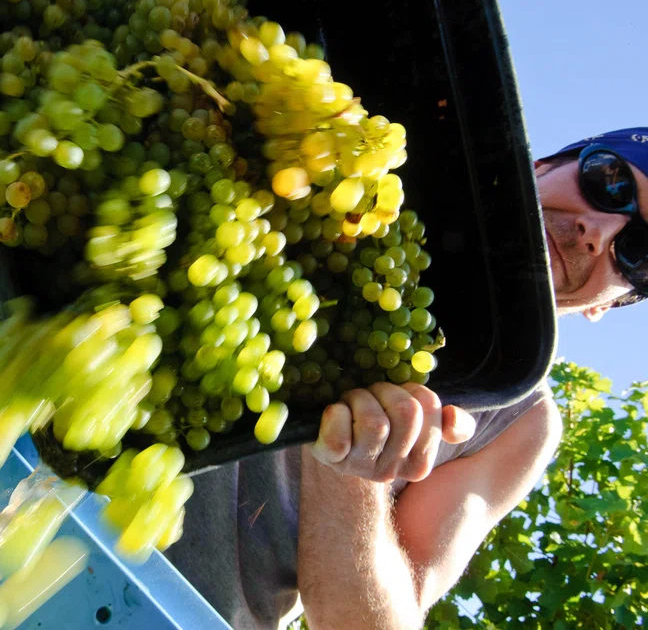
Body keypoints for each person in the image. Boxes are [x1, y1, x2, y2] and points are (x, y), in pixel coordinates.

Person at [164, 127, 648, 630]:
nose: (597, 231)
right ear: (544, 164)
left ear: (610, 304)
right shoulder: (352, 186)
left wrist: (349, 464)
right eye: (609, 182)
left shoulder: (519, 421)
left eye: (639, 251)